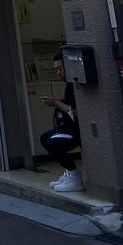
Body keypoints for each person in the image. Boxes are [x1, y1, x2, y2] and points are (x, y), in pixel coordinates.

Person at [41, 51, 83, 192]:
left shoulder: (75, 84)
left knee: (51, 142)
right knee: (45, 137)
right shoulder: (70, 85)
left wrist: (56, 103)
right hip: (71, 129)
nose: (58, 73)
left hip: (78, 130)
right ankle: (69, 172)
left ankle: (74, 176)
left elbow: (75, 110)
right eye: (56, 69)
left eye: (60, 69)